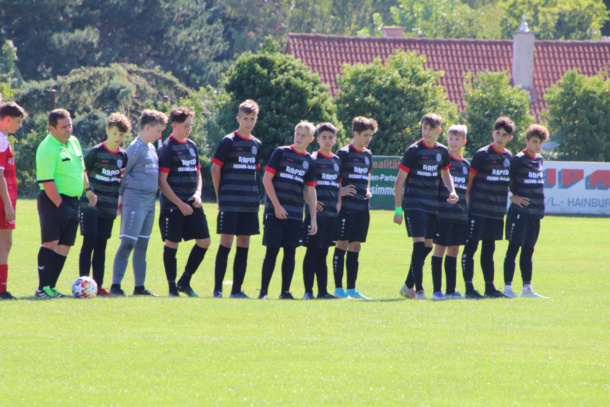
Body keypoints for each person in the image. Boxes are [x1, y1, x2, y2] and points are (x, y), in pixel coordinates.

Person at [393, 114, 458, 300]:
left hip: (432, 205)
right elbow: (399, 182)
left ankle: (407, 285)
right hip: (414, 205)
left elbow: (446, 174)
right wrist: (398, 210)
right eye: (424, 127)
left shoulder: (442, 151)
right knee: (419, 244)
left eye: (430, 128)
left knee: (428, 246)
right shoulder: (414, 150)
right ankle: (419, 290)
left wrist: (452, 191)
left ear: (438, 131)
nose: (426, 131)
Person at [35, 109, 97, 298]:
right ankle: (42, 288)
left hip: (73, 201)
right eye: (63, 127)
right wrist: (60, 205)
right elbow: (47, 181)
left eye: (70, 125)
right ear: (52, 128)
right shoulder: (47, 148)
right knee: (50, 243)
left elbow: (81, 170)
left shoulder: (74, 142)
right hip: (53, 201)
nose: (68, 130)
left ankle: (52, 287)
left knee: (65, 246)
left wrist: (88, 190)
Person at [110, 109, 167, 297]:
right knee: (128, 243)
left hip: (150, 203)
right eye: (158, 130)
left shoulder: (151, 148)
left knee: (142, 245)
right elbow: (123, 176)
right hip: (134, 202)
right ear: (148, 127)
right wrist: (119, 203)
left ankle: (139, 288)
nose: (160, 135)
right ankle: (115, 286)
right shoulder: (134, 148)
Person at [258, 121, 317, 300]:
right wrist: (276, 206)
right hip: (274, 212)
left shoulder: (309, 161)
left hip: (295, 214)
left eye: (303, 135)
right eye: (297, 133)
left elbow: (310, 190)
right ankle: (263, 293)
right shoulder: (281, 152)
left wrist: (313, 218)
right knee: (272, 251)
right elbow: (266, 180)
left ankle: (285, 292)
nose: (299, 137)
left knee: (290, 253)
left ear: (310, 139)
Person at [211, 100, 262, 299]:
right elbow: (215, 168)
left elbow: (255, 172)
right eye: (245, 119)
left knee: (244, 244)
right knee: (226, 243)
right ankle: (217, 290)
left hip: (249, 203)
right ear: (238, 119)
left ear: (255, 120)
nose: (248, 123)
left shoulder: (257, 144)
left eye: (251, 119)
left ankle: (237, 290)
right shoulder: (228, 141)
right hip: (230, 202)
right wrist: (220, 196)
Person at [158, 107, 211, 297]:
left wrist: (198, 193)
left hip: (193, 202)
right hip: (174, 205)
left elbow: (198, 173)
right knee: (172, 244)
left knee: (205, 241)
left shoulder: (192, 146)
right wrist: (179, 204)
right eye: (185, 125)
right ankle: (172, 288)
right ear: (174, 125)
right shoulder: (167, 148)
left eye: (191, 125)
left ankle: (184, 281)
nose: (189, 129)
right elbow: (162, 182)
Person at [462, 117, 514, 299]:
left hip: (496, 212)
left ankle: (489, 288)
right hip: (477, 210)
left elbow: (509, 185)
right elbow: (469, 182)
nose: (500, 137)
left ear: (510, 138)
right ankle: (469, 288)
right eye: (497, 133)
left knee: (489, 250)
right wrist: (466, 205)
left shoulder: (509, 158)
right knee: (471, 248)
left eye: (504, 135)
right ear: (493, 134)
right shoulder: (481, 154)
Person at [78, 113, 130, 296]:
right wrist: (88, 191)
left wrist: (120, 202)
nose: (118, 138)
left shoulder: (123, 156)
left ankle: (98, 287)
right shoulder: (95, 152)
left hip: (109, 207)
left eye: (122, 135)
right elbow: (82, 171)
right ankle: (83, 285)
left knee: (101, 245)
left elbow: (121, 180)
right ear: (107, 131)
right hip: (90, 205)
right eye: (115, 133)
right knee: (89, 240)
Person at [302, 123, 354, 299]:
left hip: (332, 214)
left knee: (323, 253)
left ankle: (322, 292)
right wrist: (310, 201)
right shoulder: (312, 160)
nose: (327, 141)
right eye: (323, 137)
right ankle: (308, 292)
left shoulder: (337, 160)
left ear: (335, 140)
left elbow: (338, 183)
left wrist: (339, 201)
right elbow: (303, 185)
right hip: (315, 216)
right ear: (317, 140)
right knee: (312, 252)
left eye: (330, 137)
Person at [333, 116, 377, 299]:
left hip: (362, 207)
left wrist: (367, 188)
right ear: (355, 134)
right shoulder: (343, 154)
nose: (368, 139)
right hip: (346, 208)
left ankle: (351, 289)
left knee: (356, 246)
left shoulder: (368, 155)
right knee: (342, 244)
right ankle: (338, 290)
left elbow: (367, 175)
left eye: (371, 135)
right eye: (365, 135)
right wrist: (340, 191)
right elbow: (332, 177)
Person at [503, 124, 549, 298]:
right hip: (519, 212)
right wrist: (511, 196)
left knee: (528, 250)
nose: (538, 146)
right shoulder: (518, 159)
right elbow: (502, 179)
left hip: (535, 213)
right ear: (527, 141)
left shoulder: (539, 159)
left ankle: (526, 288)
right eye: (535, 141)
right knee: (514, 248)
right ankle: (507, 288)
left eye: (540, 142)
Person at [430, 125, 470, 300]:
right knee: (439, 250)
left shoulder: (466, 165)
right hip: (442, 215)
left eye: (457, 139)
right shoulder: (442, 161)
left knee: (453, 251)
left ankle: (451, 290)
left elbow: (467, 191)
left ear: (463, 142)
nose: (453, 142)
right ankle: (437, 291)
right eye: (451, 139)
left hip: (459, 216)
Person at [0, 102, 26, 300]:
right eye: (17, 121)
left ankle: (3, 288)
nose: (19, 126)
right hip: (3, 201)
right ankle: (2, 290)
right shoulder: (1, 140)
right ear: (7, 119)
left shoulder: (4, 139)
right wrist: (7, 204)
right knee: (4, 243)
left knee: (6, 243)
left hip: (6, 201)